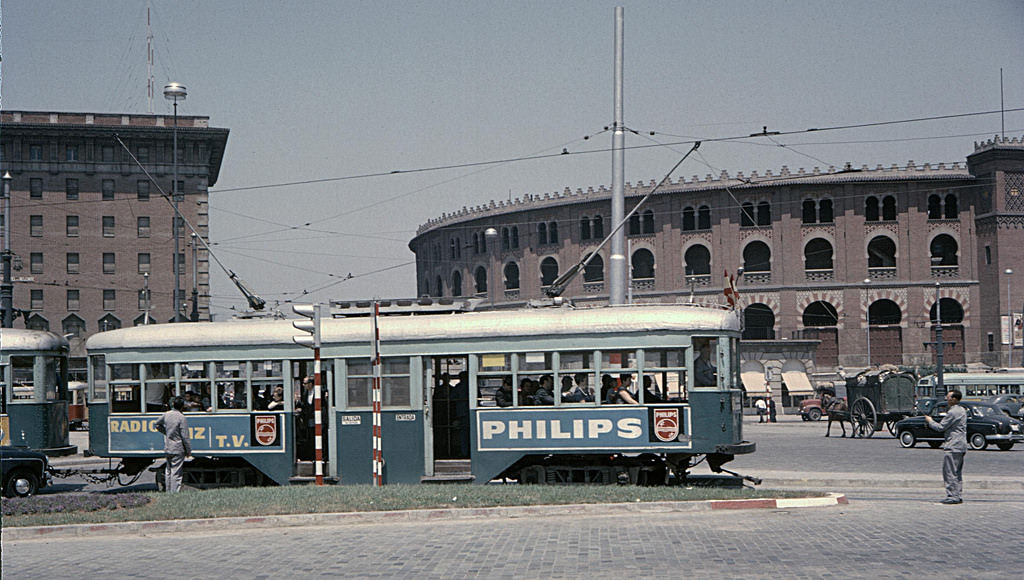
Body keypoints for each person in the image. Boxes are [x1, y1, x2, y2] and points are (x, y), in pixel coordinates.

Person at [924, 389, 968, 504]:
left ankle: (953, 496)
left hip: (953, 445)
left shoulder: (953, 412)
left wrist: (930, 421)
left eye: (948, 397)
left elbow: (940, 427)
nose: (946, 399)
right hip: (961, 445)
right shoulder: (962, 410)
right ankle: (957, 494)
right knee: (957, 472)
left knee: (949, 472)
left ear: (954, 399)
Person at [154, 396, 192, 493]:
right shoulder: (181, 417)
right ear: (182, 406)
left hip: (168, 446)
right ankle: (174, 491)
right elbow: (185, 436)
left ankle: (168, 490)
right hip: (178, 447)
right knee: (176, 471)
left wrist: (166, 432)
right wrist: (188, 450)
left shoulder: (166, 414)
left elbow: (157, 424)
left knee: (168, 470)